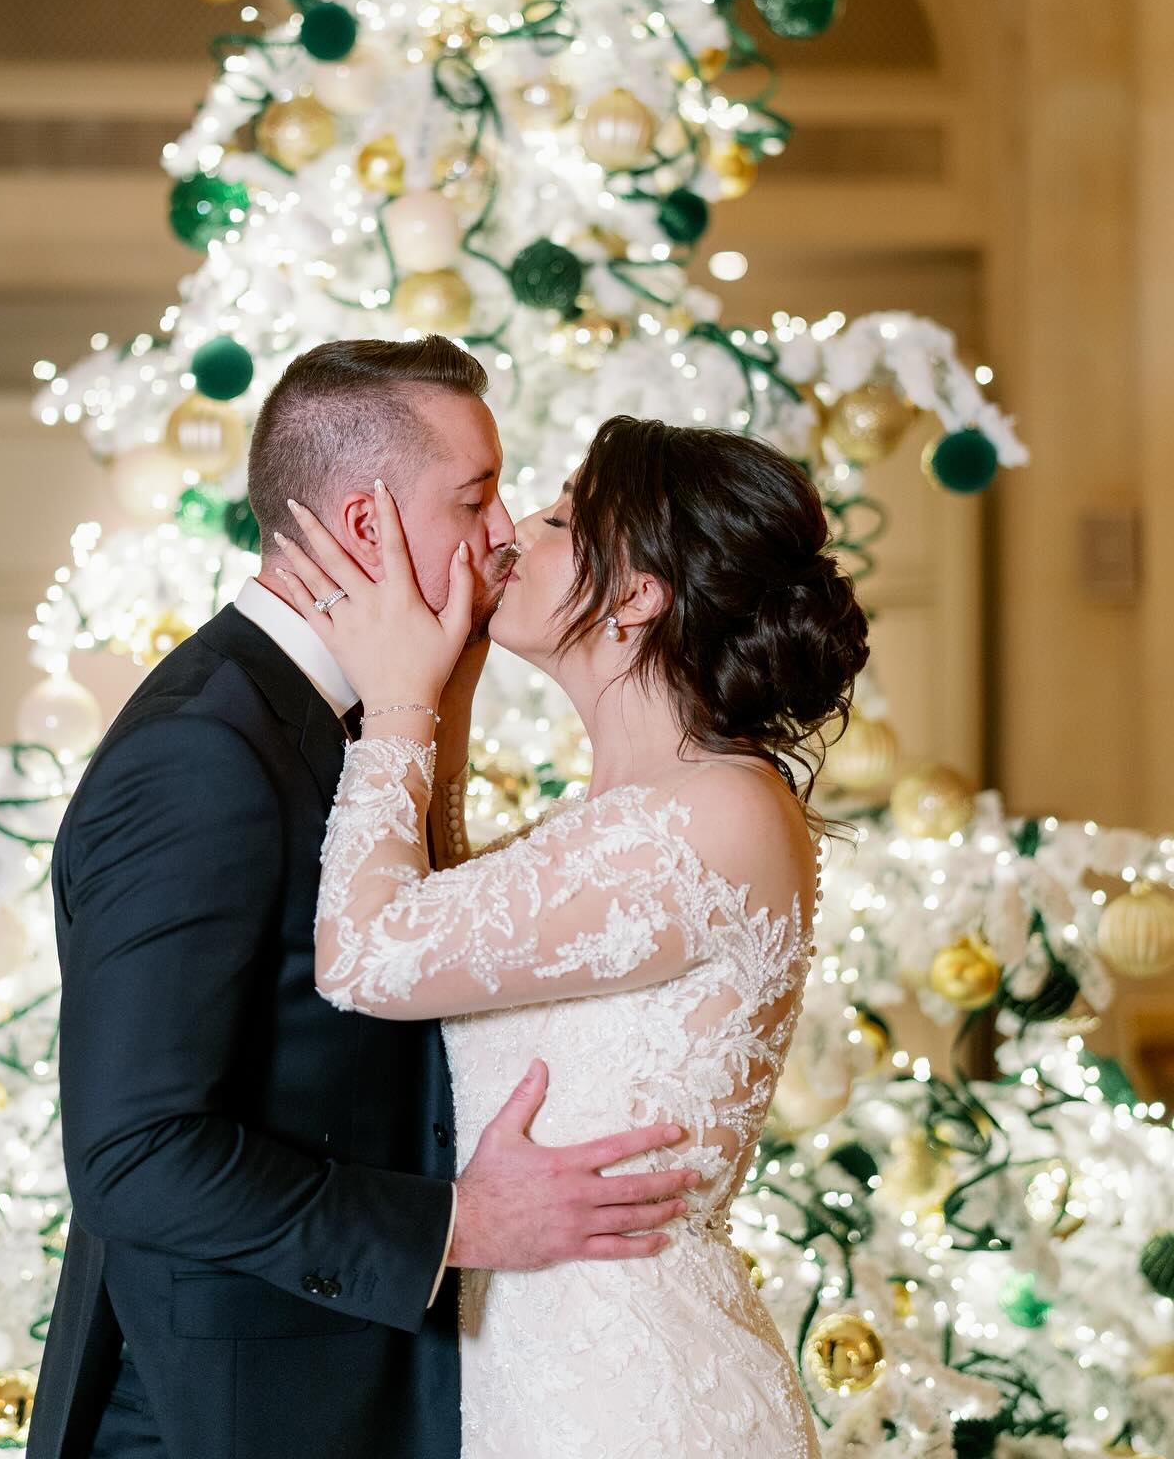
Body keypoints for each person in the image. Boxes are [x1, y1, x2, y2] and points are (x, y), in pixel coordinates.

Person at [28, 341, 699, 1459]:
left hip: (356, 1391)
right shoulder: (206, 751)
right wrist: (469, 1222)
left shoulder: (347, 708)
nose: (504, 537)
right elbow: (133, 1157)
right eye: (476, 499)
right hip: (225, 1420)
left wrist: (434, 705)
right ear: (363, 526)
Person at [274, 413, 871, 1458]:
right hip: (534, 1376)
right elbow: (451, 928)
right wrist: (445, 698)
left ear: (636, 595)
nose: (512, 534)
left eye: (557, 518)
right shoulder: (624, 815)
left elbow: (367, 956)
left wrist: (400, 708)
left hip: (633, 1398)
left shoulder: (715, 814)